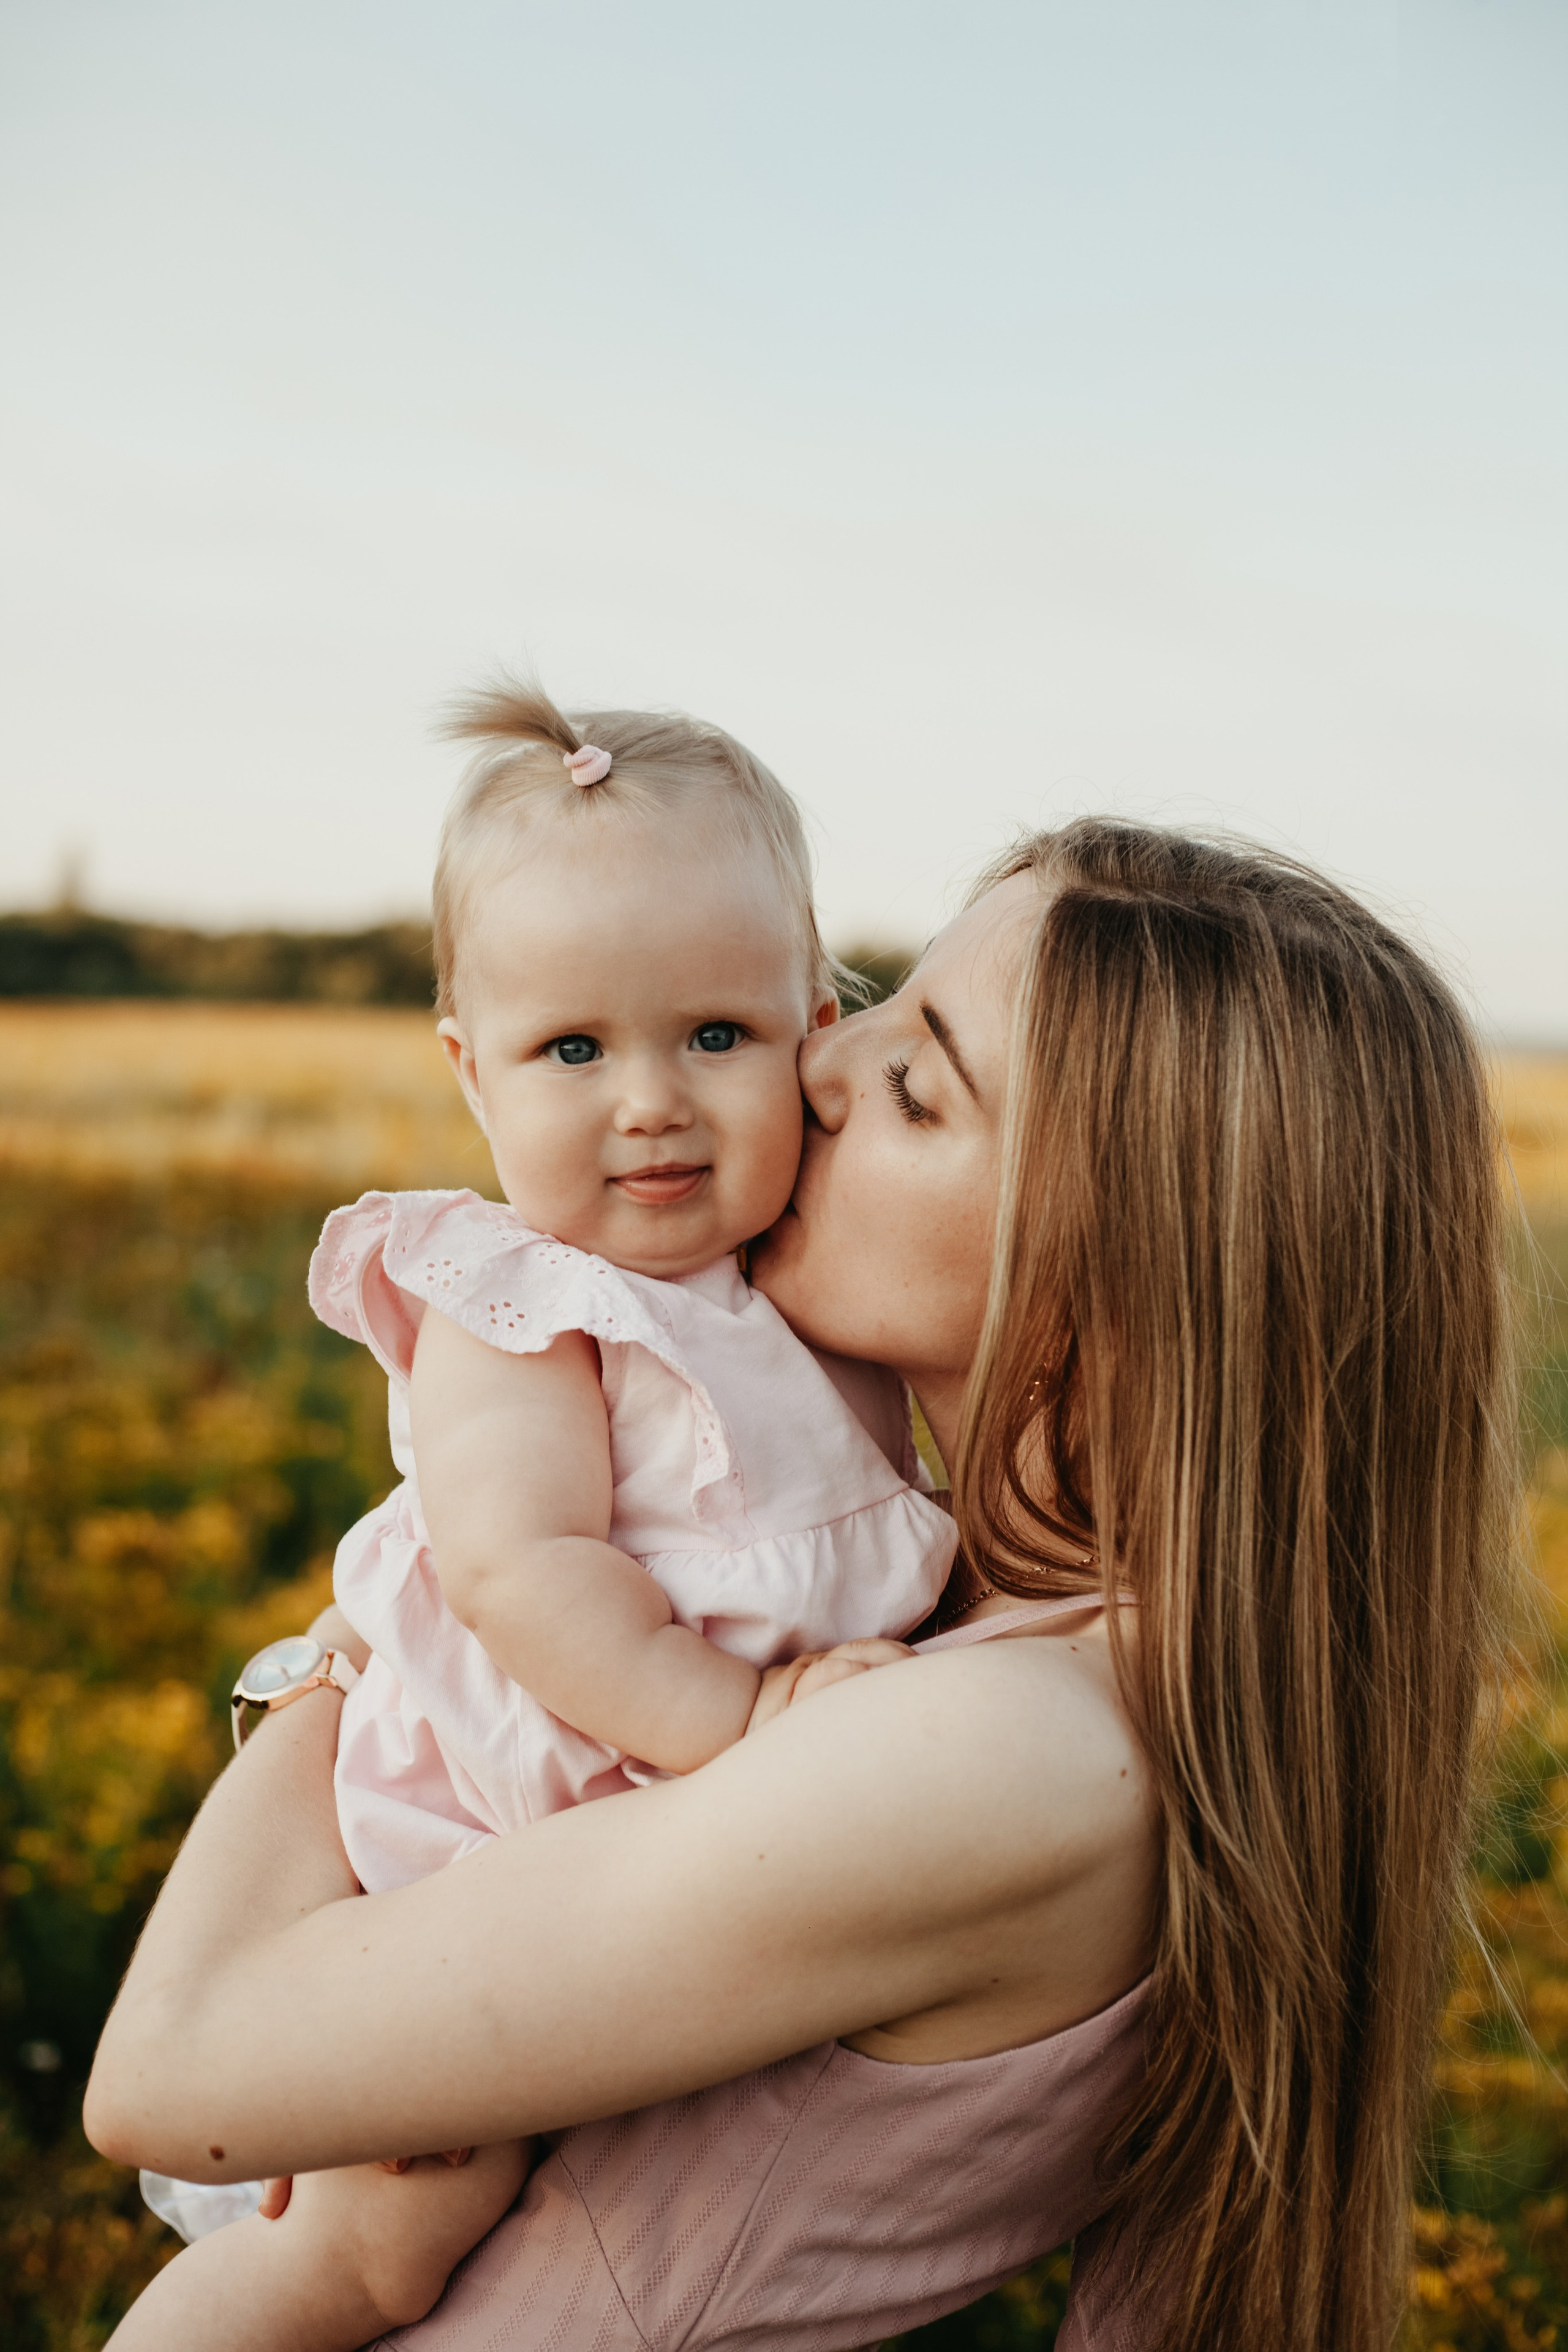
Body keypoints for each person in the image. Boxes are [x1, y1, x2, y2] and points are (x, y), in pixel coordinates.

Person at [86, 816, 1517, 2352]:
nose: (814, 1068)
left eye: (912, 1084)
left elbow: (165, 2072)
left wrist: (369, 1644)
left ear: (1125, 1260)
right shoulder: (983, 1624)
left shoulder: (1004, 1752)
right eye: (873, 1002)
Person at [129, 679, 957, 2324]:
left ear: (816, 1016)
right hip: (468, 1856)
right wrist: (749, 1714)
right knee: (364, 2252)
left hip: (675, 1878)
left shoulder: (799, 1295)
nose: (650, 1101)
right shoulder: (525, 1301)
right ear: (469, 1066)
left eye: (715, 1036)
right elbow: (524, 1570)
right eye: (572, 1049)